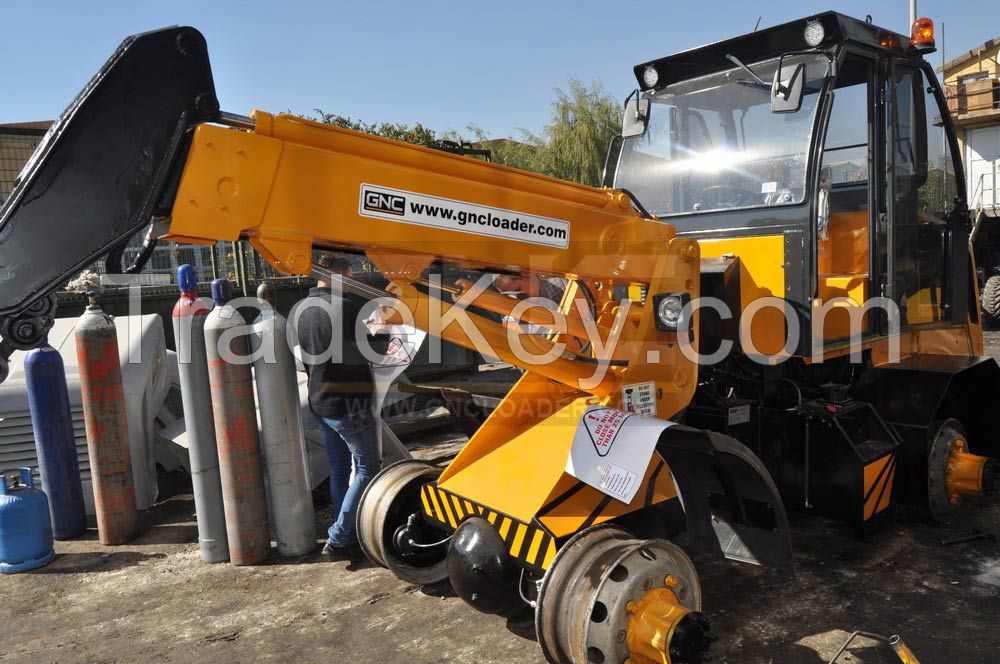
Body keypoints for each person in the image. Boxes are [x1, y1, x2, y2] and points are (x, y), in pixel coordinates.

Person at [296, 254, 379, 559]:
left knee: (339, 469)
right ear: (337, 276)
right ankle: (341, 537)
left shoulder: (302, 309)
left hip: (321, 400)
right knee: (368, 468)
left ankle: (346, 530)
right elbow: (371, 351)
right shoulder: (346, 308)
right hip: (349, 405)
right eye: (350, 276)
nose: (353, 282)